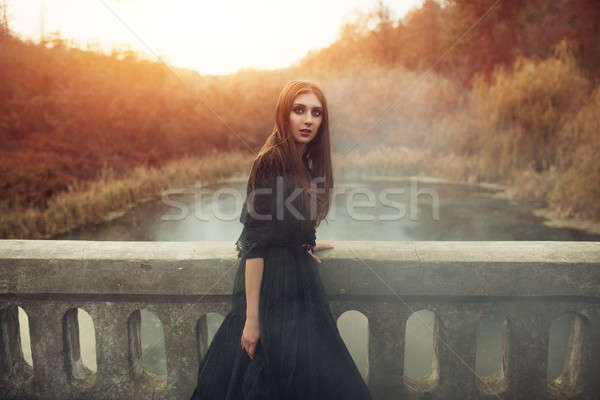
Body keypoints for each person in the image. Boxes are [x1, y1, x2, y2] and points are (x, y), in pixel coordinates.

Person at [190, 80, 373, 399]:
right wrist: (252, 318)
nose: (308, 120)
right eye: (299, 110)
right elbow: (256, 243)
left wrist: (303, 242)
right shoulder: (271, 161)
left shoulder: (301, 161)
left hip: (298, 281)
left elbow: (283, 220)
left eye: (316, 113)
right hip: (274, 289)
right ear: (283, 114)